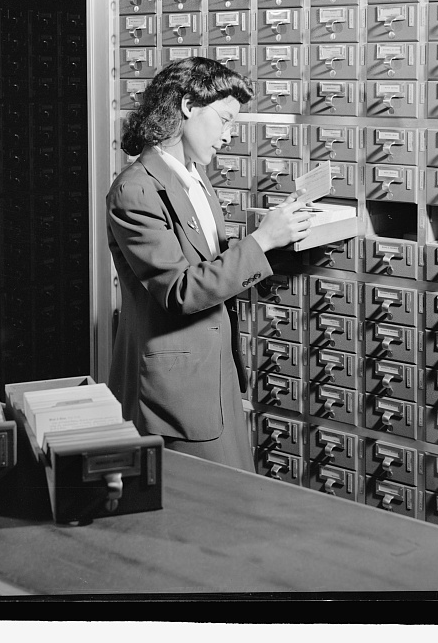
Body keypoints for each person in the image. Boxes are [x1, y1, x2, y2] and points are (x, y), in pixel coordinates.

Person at [106, 57, 311, 472]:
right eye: (224, 120)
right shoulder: (136, 190)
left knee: (231, 498)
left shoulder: (195, 178)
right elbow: (179, 291)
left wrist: (279, 242)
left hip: (214, 375)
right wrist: (260, 240)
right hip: (175, 391)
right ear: (187, 106)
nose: (228, 135)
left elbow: (209, 261)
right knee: (208, 511)